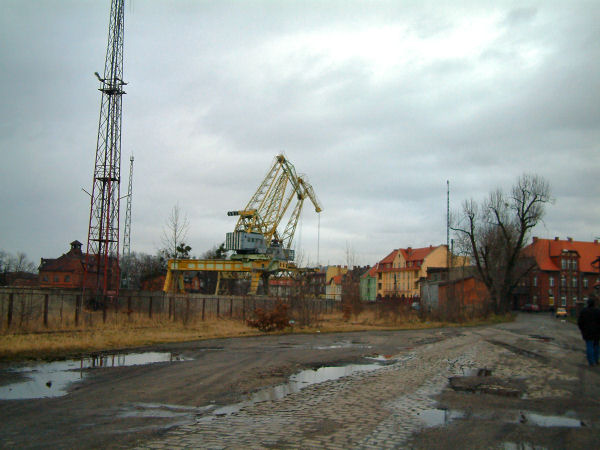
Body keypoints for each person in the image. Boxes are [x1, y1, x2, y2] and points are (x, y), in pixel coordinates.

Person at [577, 297, 600, 366]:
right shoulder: (597, 311)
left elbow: (580, 322)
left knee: (589, 346)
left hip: (587, 332)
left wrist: (582, 329)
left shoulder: (584, 311)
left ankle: (591, 361)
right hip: (597, 332)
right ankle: (596, 360)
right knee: (596, 346)